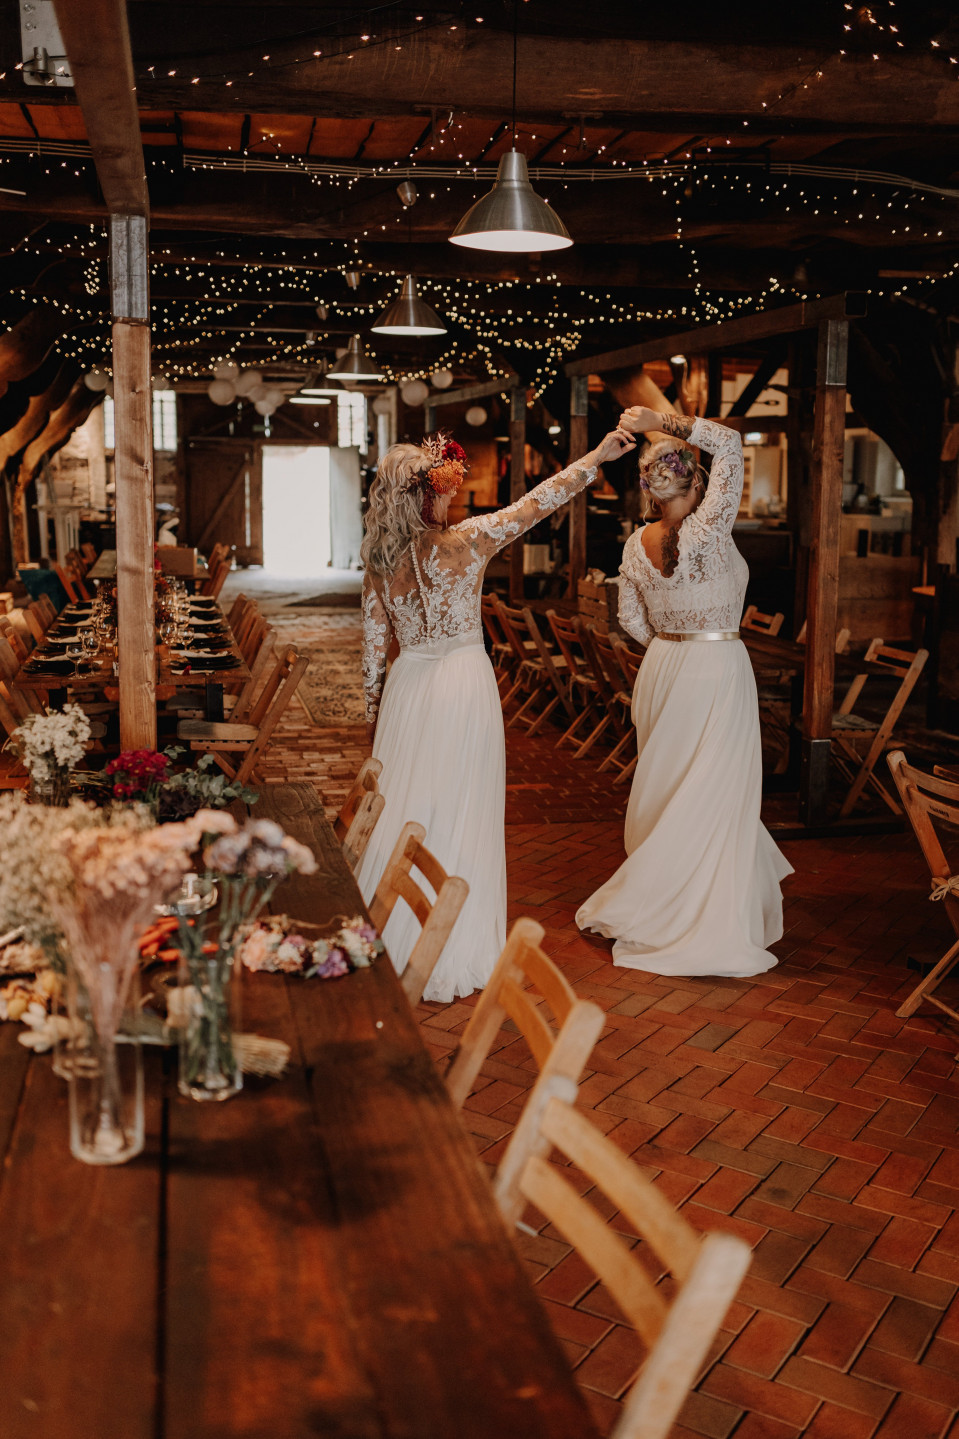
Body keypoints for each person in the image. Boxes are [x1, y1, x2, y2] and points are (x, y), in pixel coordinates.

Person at [359, 426, 636, 1003]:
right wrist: (598, 457)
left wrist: (374, 722)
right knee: (464, 806)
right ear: (426, 494)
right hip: (462, 684)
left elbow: (370, 658)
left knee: (408, 806)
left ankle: (394, 929)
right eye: (446, 490)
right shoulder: (470, 541)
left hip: (409, 688)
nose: (453, 500)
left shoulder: (377, 562)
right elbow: (540, 502)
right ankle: (453, 940)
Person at [576, 407, 792, 978]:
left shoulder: (631, 544)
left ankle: (660, 901)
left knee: (669, 787)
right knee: (715, 792)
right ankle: (701, 919)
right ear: (694, 482)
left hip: (664, 666)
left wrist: (671, 643)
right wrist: (658, 419)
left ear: (649, 487)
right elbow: (728, 440)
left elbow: (629, 620)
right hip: (715, 664)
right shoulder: (710, 527)